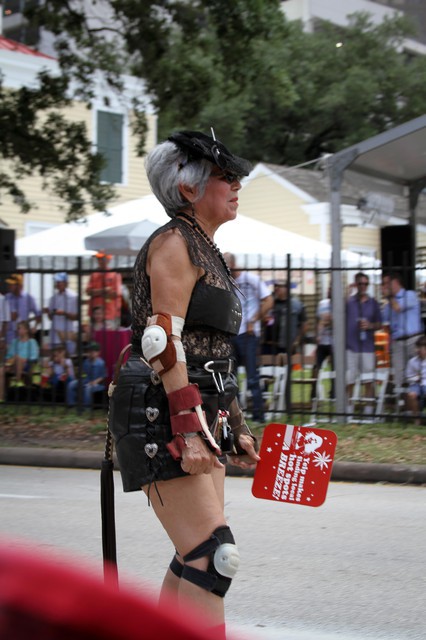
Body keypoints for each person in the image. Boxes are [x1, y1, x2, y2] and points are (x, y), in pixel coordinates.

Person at [108, 130, 260, 638]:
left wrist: (233, 423)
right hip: (164, 408)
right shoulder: (175, 243)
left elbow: (210, 349)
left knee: (196, 556)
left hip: (197, 409)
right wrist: (188, 427)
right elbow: (162, 340)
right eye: (224, 176)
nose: (237, 184)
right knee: (213, 556)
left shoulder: (206, 248)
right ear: (189, 189)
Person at [223, 252, 273, 423]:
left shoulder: (251, 279)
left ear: (234, 264)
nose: (226, 269)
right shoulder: (226, 281)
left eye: (227, 265)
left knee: (252, 376)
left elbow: (268, 300)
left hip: (249, 334)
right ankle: (236, 417)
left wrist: (254, 319)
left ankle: (259, 415)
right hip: (232, 332)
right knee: (231, 376)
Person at [346, 272, 382, 417]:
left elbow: (379, 324)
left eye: (366, 284)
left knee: (368, 379)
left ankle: (368, 409)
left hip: (367, 347)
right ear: (355, 285)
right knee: (350, 379)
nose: (363, 287)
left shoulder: (374, 303)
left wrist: (370, 325)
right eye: (360, 284)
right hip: (350, 346)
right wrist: (347, 292)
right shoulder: (348, 302)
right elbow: (337, 312)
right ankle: (348, 409)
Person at [381, 271, 422, 390]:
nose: (385, 287)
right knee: (399, 378)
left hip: (413, 341)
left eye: (387, 283)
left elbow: (398, 308)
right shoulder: (388, 305)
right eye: (384, 284)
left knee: (418, 374)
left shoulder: (410, 295)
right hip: (397, 343)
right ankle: (403, 404)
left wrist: (389, 297)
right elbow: (386, 325)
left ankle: (418, 402)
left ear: (396, 282)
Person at [264, 281, 307, 356]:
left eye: (280, 286)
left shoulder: (297, 304)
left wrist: (296, 341)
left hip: (288, 346)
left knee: (289, 367)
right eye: (275, 286)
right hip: (269, 345)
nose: (276, 288)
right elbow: (263, 319)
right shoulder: (270, 303)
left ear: (287, 288)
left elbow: (304, 325)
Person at [45, 272, 78, 356]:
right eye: (57, 282)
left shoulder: (73, 297)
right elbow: (51, 318)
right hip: (55, 333)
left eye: (60, 282)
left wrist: (64, 313)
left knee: (69, 358)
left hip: (67, 332)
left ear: (66, 283)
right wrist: (48, 312)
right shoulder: (53, 298)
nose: (58, 284)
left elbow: (76, 317)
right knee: (54, 359)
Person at [86, 252, 122, 330]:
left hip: (109, 314)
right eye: (98, 259)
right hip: (94, 314)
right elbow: (88, 291)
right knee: (94, 338)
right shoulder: (94, 275)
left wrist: (96, 293)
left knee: (109, 338)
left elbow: (116, 293)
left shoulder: (114, 275)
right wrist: (104, 290)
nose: (100, 261)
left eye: (102, 259)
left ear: (108, 260)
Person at [66, 341, 106, 407]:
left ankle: (86, 406)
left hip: (97, 384)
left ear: (98, 353)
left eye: (92, 351)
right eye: (89, 351)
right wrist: (81, 376)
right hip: (86, 381)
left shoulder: (101, 363)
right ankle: (71, 403)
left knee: (88, 388)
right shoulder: (86, 362)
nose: (90, 353)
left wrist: (94, 382)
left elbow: (103, 376)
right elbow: (84, 374)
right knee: (71, 384)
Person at [5, 273, 41, 344]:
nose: (9, 286)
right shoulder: (6, 298)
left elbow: (38, 315)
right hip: (9, 335)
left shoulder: (28, 298)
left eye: (12, 284)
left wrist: (35, 327)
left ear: (19, 286)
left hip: (23, 335)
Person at [5, 320, 40, 387]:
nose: (18, 330)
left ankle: (17, 381)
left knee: (17, 358)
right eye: (18, 328)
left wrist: (22, 359)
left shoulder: (32, 342)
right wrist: (11, 359)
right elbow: (8, 356)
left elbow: (34, 357)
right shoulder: (14, 342)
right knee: (6, 366)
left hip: (27, 365)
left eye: (19, 328)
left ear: (26, 330)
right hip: (13, 364)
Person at [405, 335, 426, 425]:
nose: (418, 350)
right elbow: (409, 377)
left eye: (421, 348)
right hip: (416, 384)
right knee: (411, 394)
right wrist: (417, 378)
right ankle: (416, 420)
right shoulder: (412, 361)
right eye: (417, 347)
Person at [0, 291, 11, 401]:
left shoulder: (3, 300)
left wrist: (2, 338)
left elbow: (5, 322)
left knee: (1, 369)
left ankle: (1, 396)